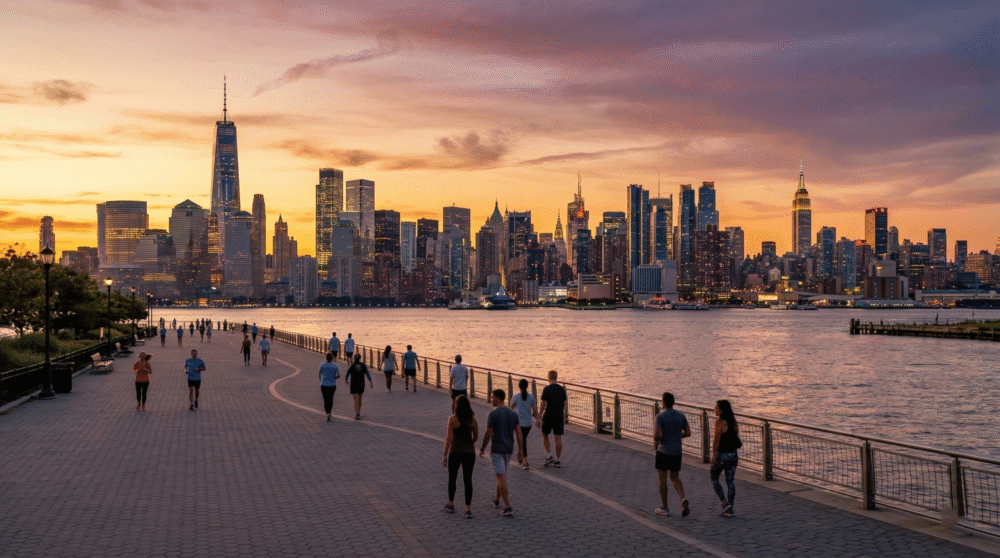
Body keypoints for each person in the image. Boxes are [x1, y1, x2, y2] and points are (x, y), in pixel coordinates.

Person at [479, 389, 523, 517]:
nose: (491, 399)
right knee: (501, 475)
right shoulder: (513, 414)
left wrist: (482, 448)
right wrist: (520, 450)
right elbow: (519, 434)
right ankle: (496, 500)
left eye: (492, 397)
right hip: (509, 450)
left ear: (498, 399)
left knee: (501, 477)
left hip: (497, 450)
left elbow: (488, 433)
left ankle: (508, 507)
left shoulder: (493, 414)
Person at [653, 392, 691, 517]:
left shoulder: (660, 417)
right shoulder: (681, 415)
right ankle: (683, 498)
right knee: (675, 478)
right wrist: (676, 436)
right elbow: (688, 432)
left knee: (662, 479)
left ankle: (665, 508)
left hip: (663, 451)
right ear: (673, 402)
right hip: (677, 452)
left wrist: (658, 441)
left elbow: (657, 435)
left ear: (663, 402)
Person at [442, 395, 479, 519]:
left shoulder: (452, 419)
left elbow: (449, 438)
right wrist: (470, 443)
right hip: (469, 453)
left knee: (452, 478)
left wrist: (444, 454)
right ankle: (467, 509)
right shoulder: (473, 420)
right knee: (468, 480)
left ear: (457, 406)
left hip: (455, 452)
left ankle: (451, 504)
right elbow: (476, 436)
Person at [710, 399, 740, 517]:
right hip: (733, 455)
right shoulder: (733, 422)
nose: (714, 409)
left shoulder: (719, 423)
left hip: (722, 455)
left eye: (716, 407)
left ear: (721, 410)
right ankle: (730, 508)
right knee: (730, 481)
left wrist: (713, 455)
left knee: (714, 477)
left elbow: (716, 441)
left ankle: (724, 502)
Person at [539, 370, 567, 467]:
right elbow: (564, 403)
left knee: (544, 434)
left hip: (548, 415)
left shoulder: (547, 388)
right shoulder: (562, 389)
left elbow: (543, 403)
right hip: (559, 416)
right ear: (556, 377)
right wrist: (561, 411)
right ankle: (558, 460)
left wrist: (539, 414)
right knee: (558, 437)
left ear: (549, 377)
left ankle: (549, 455)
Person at [510, 379, 538, 470]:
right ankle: (520, 457)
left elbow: (511, 409)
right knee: (521, 440)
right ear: (527, 386)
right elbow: (535, 410)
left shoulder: (516, 397)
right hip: (528, 424)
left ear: (519, 386)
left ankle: (525, 462)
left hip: (518, 423)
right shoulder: (531, 397)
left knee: (522, 441)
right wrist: (538, 419)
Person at [344, 354, 372, 420]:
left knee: (355, 400)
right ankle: (358, 412)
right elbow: (367, 373)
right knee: (360, 399)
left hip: (354, 384)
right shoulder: (363, 365)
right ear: (360, 358)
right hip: (361, 384)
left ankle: (357, 414)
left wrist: (346, 379)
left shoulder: (352, 365)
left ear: (354, 358)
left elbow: (347, 373)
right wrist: (370, 381)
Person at [318, 352, 340, 421]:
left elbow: (319, 375)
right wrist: (335, 377)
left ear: (326, 357)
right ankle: (329, 412)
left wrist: (321, 380)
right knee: (330, 399)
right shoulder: (335, 365)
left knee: (325, 399)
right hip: (332, 385)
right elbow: (338, 375)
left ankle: (327, 413)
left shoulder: (322, 365)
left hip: (323, 384)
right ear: (332, 358)